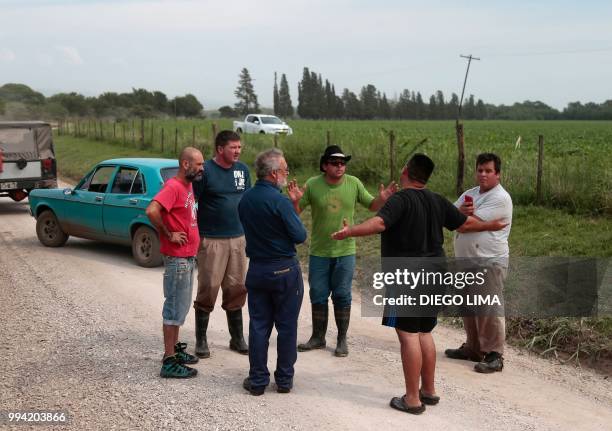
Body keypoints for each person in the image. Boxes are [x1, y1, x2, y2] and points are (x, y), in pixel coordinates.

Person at [331, 154, 507, 414]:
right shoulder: (437, 200)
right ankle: (429, 390)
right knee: (424, 332)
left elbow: (380, 222)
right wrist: (491, 224)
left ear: (405, 171)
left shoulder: (400, 199)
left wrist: (350, 231)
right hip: (436, 272)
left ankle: (412, 399)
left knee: (408, 335)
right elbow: (464, 223)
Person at [287, 145, 396, 357]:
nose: (340, 167)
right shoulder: (312, 184)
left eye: (343, 163)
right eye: (335, 163)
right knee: (318, 293)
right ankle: (318, 337)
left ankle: (341, 339)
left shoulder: (354, 183)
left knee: (342, 295)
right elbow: (297, 213)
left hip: (346, 250)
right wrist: (295, 200)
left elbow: (372, 206)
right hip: (319, 251)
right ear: (325, 166)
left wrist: (382, 198)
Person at [238, 148, 307, 395]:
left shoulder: (245, 199)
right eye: (285, 170)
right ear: (275, 173)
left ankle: (257, 380)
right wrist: (294, 206)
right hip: (284, 269)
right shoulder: (280, 202)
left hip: (257, 268)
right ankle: (284, 380)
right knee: (287, 327)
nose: (287, 174)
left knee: (258, 326)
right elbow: (300, 236)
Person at [445, 153, 513, 373]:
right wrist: (458, 216)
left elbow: (465, 225)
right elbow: (448, 217)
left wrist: (460, 218)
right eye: (480, 170)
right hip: (466, 260)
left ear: (498, 174)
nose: (483, 174)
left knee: (488, 306)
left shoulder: (500, 198)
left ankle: (495, 354)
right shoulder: (470, 194)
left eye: (488, 171)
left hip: (488, 260)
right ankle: (473, 348)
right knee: (468, 306)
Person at [146, 147, 204, 378]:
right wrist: (169, 234)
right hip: (178, 260)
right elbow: (152, 211)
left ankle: (175, 350)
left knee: (180, 307)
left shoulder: (188, 185)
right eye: (198, 165)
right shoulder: (173, 187)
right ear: (185, 164)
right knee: (173, 309)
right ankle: (169, 360)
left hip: (187, 257)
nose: (202, 169)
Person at [192, 130, 251, 358]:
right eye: (232, 147)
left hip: (238, 238)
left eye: (239, 147)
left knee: (236, 288)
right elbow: (192, 200)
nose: (237, 151)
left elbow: (247, 200)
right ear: (219, 149)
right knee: (209, 287)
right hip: (211, 240)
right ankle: (201, 340)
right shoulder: (205, 171)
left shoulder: (242, 170)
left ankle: (237, 338)